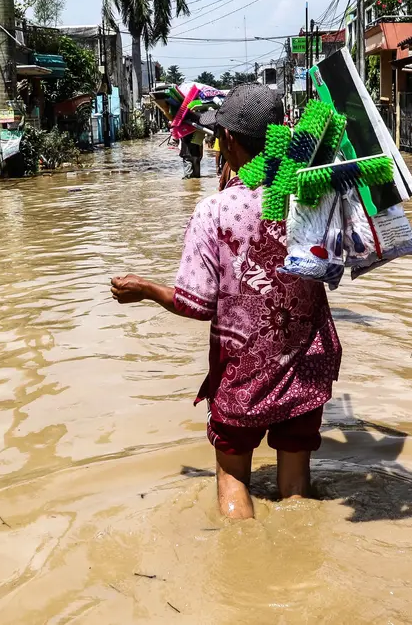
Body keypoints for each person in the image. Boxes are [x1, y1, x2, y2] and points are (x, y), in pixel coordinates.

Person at [110, 84, 341, 519]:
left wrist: (145, 289)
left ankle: (242, 568)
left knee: (233, 478)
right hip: (306, 362)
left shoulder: (214, 211)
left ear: (229, 141)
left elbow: (194, 304)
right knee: (295, 489)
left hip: (244, 371)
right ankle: (300, 552)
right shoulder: (310, 196)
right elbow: (331, 272)